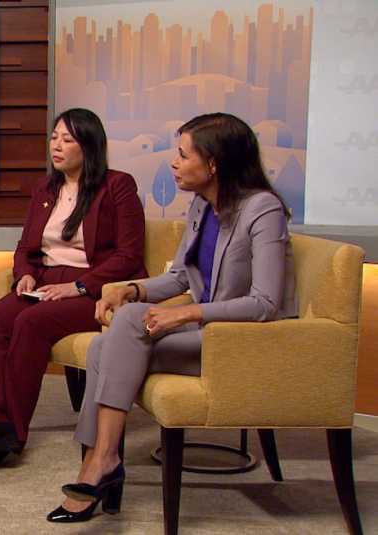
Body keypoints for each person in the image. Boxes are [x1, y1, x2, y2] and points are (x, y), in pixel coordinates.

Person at [48, 112, 298, 523]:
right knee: (117, 331)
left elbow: (265, 303)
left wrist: (185, 313)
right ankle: (101, 461)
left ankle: (100, 462)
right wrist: (132, 289)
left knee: (106, 348)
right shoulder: (202, 206)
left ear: (213, 163)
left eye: (183, 155)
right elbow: (181, 276)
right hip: (205, 331)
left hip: (239, 342)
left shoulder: (262, 210)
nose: (174, 163)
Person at [0, 108, 147, 464]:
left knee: (31, 322)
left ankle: (11, 431)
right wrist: (24, 273)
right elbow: (25, 246)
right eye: (54, 137)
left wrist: (78, 286)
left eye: (67, 139)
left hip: (97, 288)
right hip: (44, 281)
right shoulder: (46, 189)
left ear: (89, 146)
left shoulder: (118, 186)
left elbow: (129, 255)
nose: (56, 146)